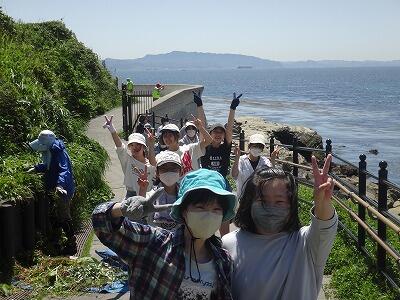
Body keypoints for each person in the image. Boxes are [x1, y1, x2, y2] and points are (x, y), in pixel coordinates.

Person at [92, 168, 237, 299]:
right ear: (183, 211)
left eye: (216, 209)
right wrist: (121, 208)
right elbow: (102, 223)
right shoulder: (151, 242)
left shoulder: (223, 261)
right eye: (200, 207)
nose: (209, 215)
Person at [222, 155, 337, 300]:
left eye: (279, 201)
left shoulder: (306, 244)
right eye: (262, 200)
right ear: (249, 203)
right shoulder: (229, 243)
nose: (271, 207)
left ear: (291, 205)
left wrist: (322, 202)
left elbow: (324, 227)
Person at [195, 91, 242, 236]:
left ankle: (225, 240)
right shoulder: (205, 146)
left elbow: (229, 129)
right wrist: (200, 105)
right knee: (201, 211)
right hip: (206, 181)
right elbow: (201, 126)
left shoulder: (225, 148)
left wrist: (232, 108)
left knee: (225, 213)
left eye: (220, 132)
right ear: (210, 133)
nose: (218, 134)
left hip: (221, 182)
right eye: (215, 131)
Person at [28, 130, 77, 255]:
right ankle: (56, 242)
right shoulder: (51, 150)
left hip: (62, 190)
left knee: (64, 216)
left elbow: (64, 170)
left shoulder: (59, 152)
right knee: (54, 216)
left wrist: (60, 184)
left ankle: (72, 244)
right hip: (54, 188)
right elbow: (49, 166)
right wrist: (37, 168)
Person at [103, 115, 156, 198]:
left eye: (138, 144)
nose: (135, 147)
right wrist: (113, 131)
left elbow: (153, 165)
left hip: (148, 194)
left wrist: (151, 145)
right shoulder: (127, 161)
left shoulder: (150, 162)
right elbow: (120, 147)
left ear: (143, 147)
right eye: (132, 145)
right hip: (131, 195)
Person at [231, 133, 280, 198]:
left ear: (262, 149)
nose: (257, 149)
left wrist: (273, 160)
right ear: (249, 146)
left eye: (259, 147)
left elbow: (271, 177)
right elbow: (234, 175)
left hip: (259, 199)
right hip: (243, 198)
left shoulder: (264, 161)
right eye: (254, 146)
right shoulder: (241, 160)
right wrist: (236, 158)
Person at [147, 150, 183, 230]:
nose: (169, 172)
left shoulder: (186, 196)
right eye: (164, 169)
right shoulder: (151, 196)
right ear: (157, 173)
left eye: (173, 169)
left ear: (180, 172)